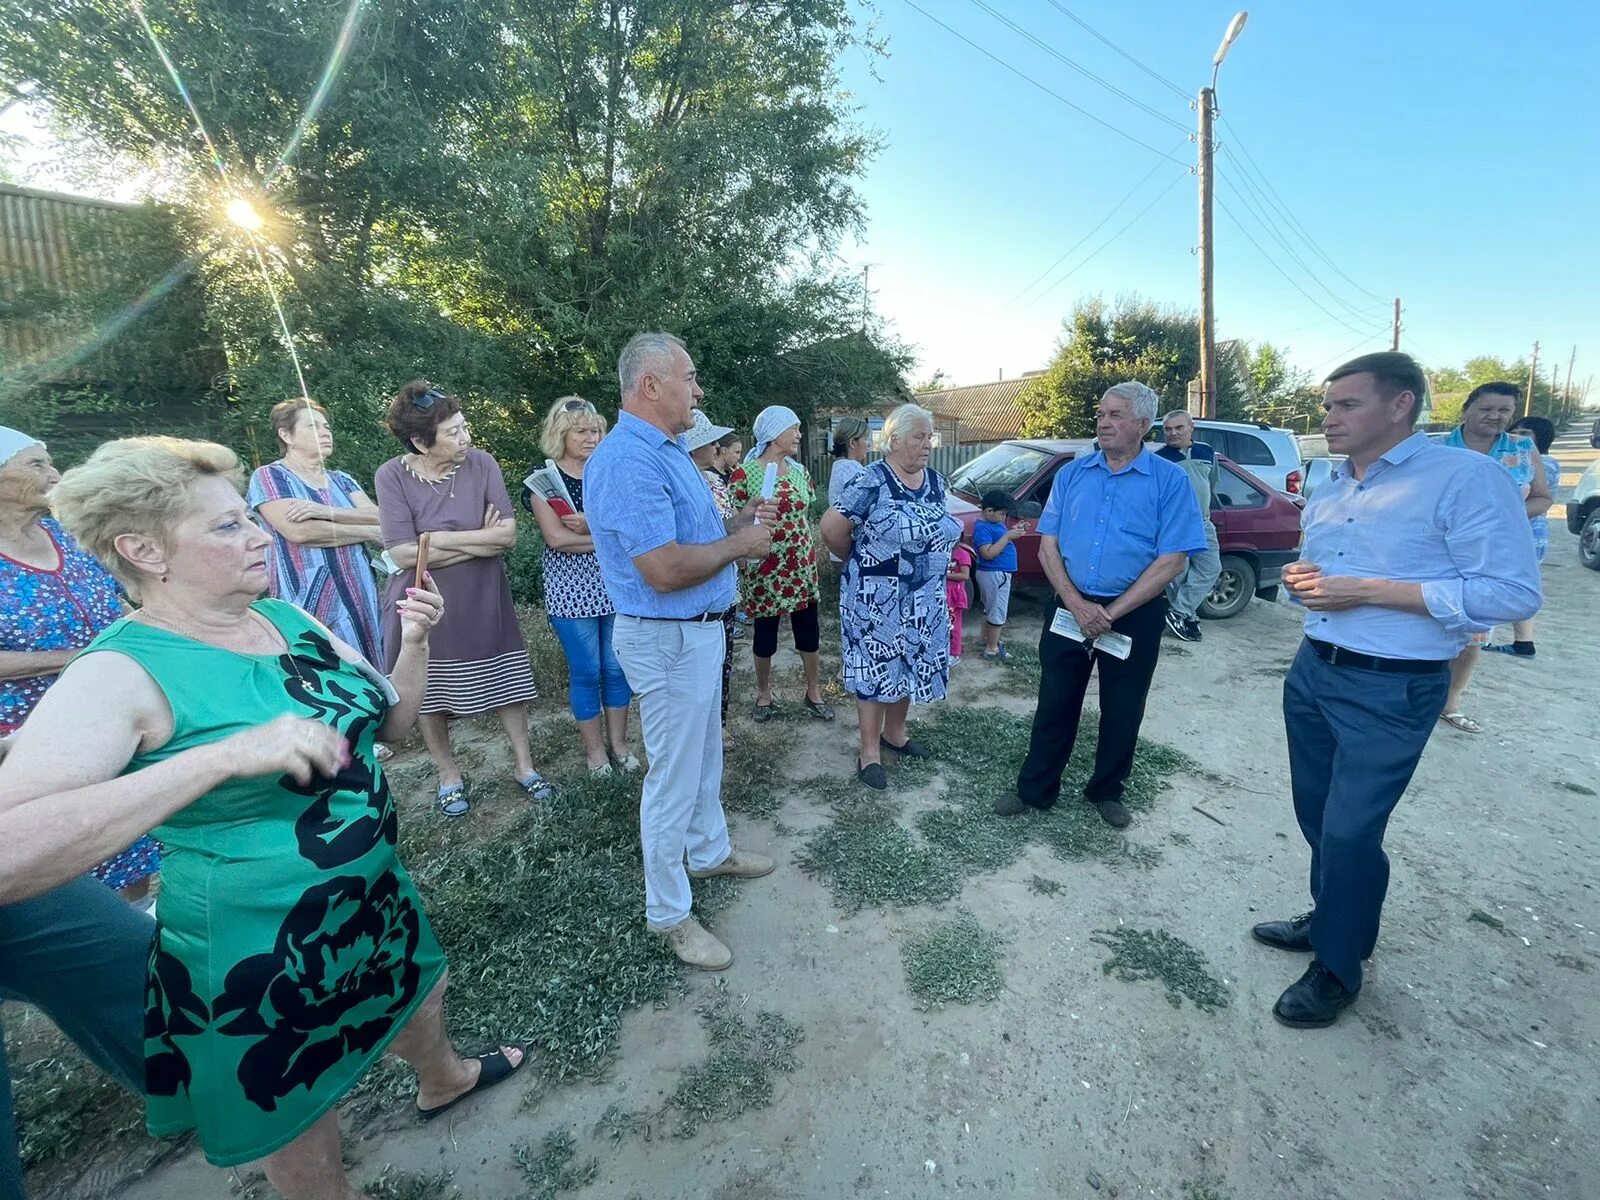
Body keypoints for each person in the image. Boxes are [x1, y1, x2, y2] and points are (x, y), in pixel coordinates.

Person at [0, 436, 525, 1200]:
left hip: (370, 893)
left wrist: (414, 644)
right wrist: (215, 758)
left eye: (250, 518)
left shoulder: (287, 618)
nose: (257, 537)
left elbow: (394, 729)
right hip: (255, 948)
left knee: (421, 991)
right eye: (225, 527)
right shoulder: (117, 672)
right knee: (297, 1107)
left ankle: (444, 1080)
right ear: (143, 549)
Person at [1257, 352, 1540, 1028]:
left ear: (1401, 404)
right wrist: (1306, 582)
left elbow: (1510, 592)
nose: (1329, 417)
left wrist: (1375, 592)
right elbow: (1327, 569)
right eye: (1327, 406)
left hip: (1392, 686)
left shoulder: (1464, 479)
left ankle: (1337, 967)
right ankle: (1339, 921)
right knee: (1319, 816)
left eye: (1346, 404)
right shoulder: (1331, 485)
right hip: (1314, 670)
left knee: (1352, 831)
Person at [585, 333, 778, 971]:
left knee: (703, 754)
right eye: (690, 379)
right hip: (666, 635)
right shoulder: (626, 461)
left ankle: (708, 851)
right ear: (651, 386)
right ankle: (668, 912)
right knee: (671, 775)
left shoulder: (668, 452)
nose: (698, 391)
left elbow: (693, 539)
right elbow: (664, 569)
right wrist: (741, 547)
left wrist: (734, 524)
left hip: (695, 631)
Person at [993, 382, 1205, 829]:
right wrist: (1075, 602)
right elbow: (1048, 543)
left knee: (1123, 706)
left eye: (1116, 415)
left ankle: (1107, 791)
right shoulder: (1073, 474)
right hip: (1070, 606)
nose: (1103, 422)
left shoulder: (1170, 481)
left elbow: (1173, 559)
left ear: (1143, 425)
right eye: (1101, 413)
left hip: (1133, 613)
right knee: (1055, 700)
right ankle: (1035, 789)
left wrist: (1108, 614)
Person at [374, 381, 552, 815]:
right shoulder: (391, 476)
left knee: (508, 685)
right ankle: (448, 774)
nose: (465, 438)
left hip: (483, 594)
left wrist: (432, 540)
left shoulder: (482, 464)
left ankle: (525, 766)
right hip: (425, 601)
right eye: (453, 433)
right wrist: (478, 538)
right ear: (419, 441)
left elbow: (507, 535)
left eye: (464, 427)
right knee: (429, 692)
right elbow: (398, 551)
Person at [0, 426, 159, 903]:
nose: (55, 474)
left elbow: (120, 602)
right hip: (28, 736)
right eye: (36, 464)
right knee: (61, 858)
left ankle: (137, 938)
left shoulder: (64, 535)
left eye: (50, 461)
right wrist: (83, 658)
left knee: (125, 835)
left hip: (108, 716)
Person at [820, 403, 962, 792]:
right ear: (894, 440)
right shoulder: (871, 481)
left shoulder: (935, 483)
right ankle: (868, 751)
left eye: (929, 437)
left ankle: (895, 735)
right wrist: (861, 564)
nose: (927, 444)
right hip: (875, 601)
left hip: (924, 599)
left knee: (910, 662)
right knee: (876, 668)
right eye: (920, 437)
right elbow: (832, 528)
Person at [521, 395, 637, 776]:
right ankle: (595, 753)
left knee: (618, 668)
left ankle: (619, 745)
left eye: (596, 430)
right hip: (570, 590)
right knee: (587, 670)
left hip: (615, 585)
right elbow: (557, 540)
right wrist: (608, 537)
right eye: (582, 431)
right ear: (561, 434)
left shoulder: (611, 471)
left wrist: (596, 530)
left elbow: (632, 529)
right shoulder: (543, 481)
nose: (592, 437)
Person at [1437, 382, 1551, 732]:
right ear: (1467, 409)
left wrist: (1507, 517)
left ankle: (1449, 703)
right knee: (1424, 620)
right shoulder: (1437, 448)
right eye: (1486, 408)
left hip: (1492, 555)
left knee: (1474, 631)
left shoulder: (1521, 448)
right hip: (1438, 550)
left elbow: (1543, 498)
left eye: (1504, 411)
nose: (1495, 416)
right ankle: (1412, 697)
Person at [247, 398, 386, 666]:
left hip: (361, 592)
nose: (325, 432)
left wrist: (324, 511)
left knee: (373, 669)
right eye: (313, 426)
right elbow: (300, 532)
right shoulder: (271, 477)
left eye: (326, 427)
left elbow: (380, 516)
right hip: (306, 595)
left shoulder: (342, 480)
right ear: (286, 435)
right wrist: (367, 532)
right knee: (321, 671)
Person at [728, 406, 832, 722]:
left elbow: (805, 512)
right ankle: (763, 694)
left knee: (808, 629)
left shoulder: (800, 472)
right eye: (795, 428)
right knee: (765, 632)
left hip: (800, 563)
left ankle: (813, 691)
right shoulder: (744, 474)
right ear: (775, 434)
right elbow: (733, 521)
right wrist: (743, 556)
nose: (799, 434)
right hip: (764, 565)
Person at [683, 409, 740, 733]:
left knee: (723, 659)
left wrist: (743, 519)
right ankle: (702, 730)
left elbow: (725, 526)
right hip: (698, 586)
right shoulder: (683, 480)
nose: (717, 447)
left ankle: (717, 727)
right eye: (710, 441)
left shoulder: (714, 480)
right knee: (698, 669)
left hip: (722, 582)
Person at [1487, 414, 1560, 658]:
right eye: (1516, 431)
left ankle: (1517, 640)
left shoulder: (1544, 463)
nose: (1518, 436)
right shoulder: (1512, 457)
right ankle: (1522, 641)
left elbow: (1532, 497)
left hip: (1527, 533)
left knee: (1513, 586)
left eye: (1526, 433)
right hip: (1509, 532)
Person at [1155, 410, 1222, 642]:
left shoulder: (1207, 451)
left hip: (1202, 523)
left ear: (1191, 427)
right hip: (1174, 524)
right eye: (1168, 429)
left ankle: (1179, 611)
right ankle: (1186, 615)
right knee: (1178, 572)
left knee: (1211, 568)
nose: (1173, 433)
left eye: (1178, 428)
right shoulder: (1160, 458)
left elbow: (1211, 483)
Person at [972, 489, 1029, 660]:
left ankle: (985, 639)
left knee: (989, 608)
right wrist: (1007, 537)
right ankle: (992, 648)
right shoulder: (983, 528)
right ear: (989, 511)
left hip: (995, 574)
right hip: (995, 573)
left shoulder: (994, 523)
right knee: (997, 611)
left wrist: (1013, 531)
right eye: (1002, 514)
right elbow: (987, 553)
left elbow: (1001, 536)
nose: (1004, 518)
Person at [826, 417, 871, 564]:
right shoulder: (851, 469)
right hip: (852, 549)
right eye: (865, 438)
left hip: (840, 550)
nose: (869, 444)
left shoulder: (839, 466)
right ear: (852, 443)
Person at [946, 537, 975, 664]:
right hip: (943, 593)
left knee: (954, 625)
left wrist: (944, 575)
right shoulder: (943, 551)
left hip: (954, 595)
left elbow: (964, 575)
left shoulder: (962, 554)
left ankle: (954, 653)